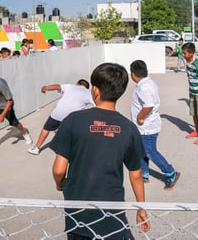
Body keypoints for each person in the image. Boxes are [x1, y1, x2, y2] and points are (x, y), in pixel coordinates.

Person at [50, 63, 150, 239]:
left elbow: (59, 169)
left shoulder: (73, 120)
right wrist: (141, 208)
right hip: (112, 212)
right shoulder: (128, 128)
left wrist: (60, 184)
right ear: (120, 91)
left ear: (95, 90)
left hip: (78, 212)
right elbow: (136, 174)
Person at [130, 60, 180, 190]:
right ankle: (144, 173)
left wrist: (140, 117)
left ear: (133, 74)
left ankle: (171, 172)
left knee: (150, 151)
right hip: (145, 126)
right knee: (142, 150)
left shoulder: (143, 87)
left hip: (147, 126)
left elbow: (148, 105)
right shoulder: (149, 83)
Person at [27, 79, 94, 155]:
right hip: (71, 118)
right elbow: (97, 104)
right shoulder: (88, 93)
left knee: (46, 128)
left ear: (77, 83)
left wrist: (46, 87)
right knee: (75, 131)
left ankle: (36, 148)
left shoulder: (70, 86)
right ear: (87, 87)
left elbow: (57, 86)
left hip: (58, 114)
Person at [0, 69, 33, 157]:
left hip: (6, 106)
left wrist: (2, 115)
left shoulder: (2, 85)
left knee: (14, 123)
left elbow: (10, 101)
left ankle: (24, 133)